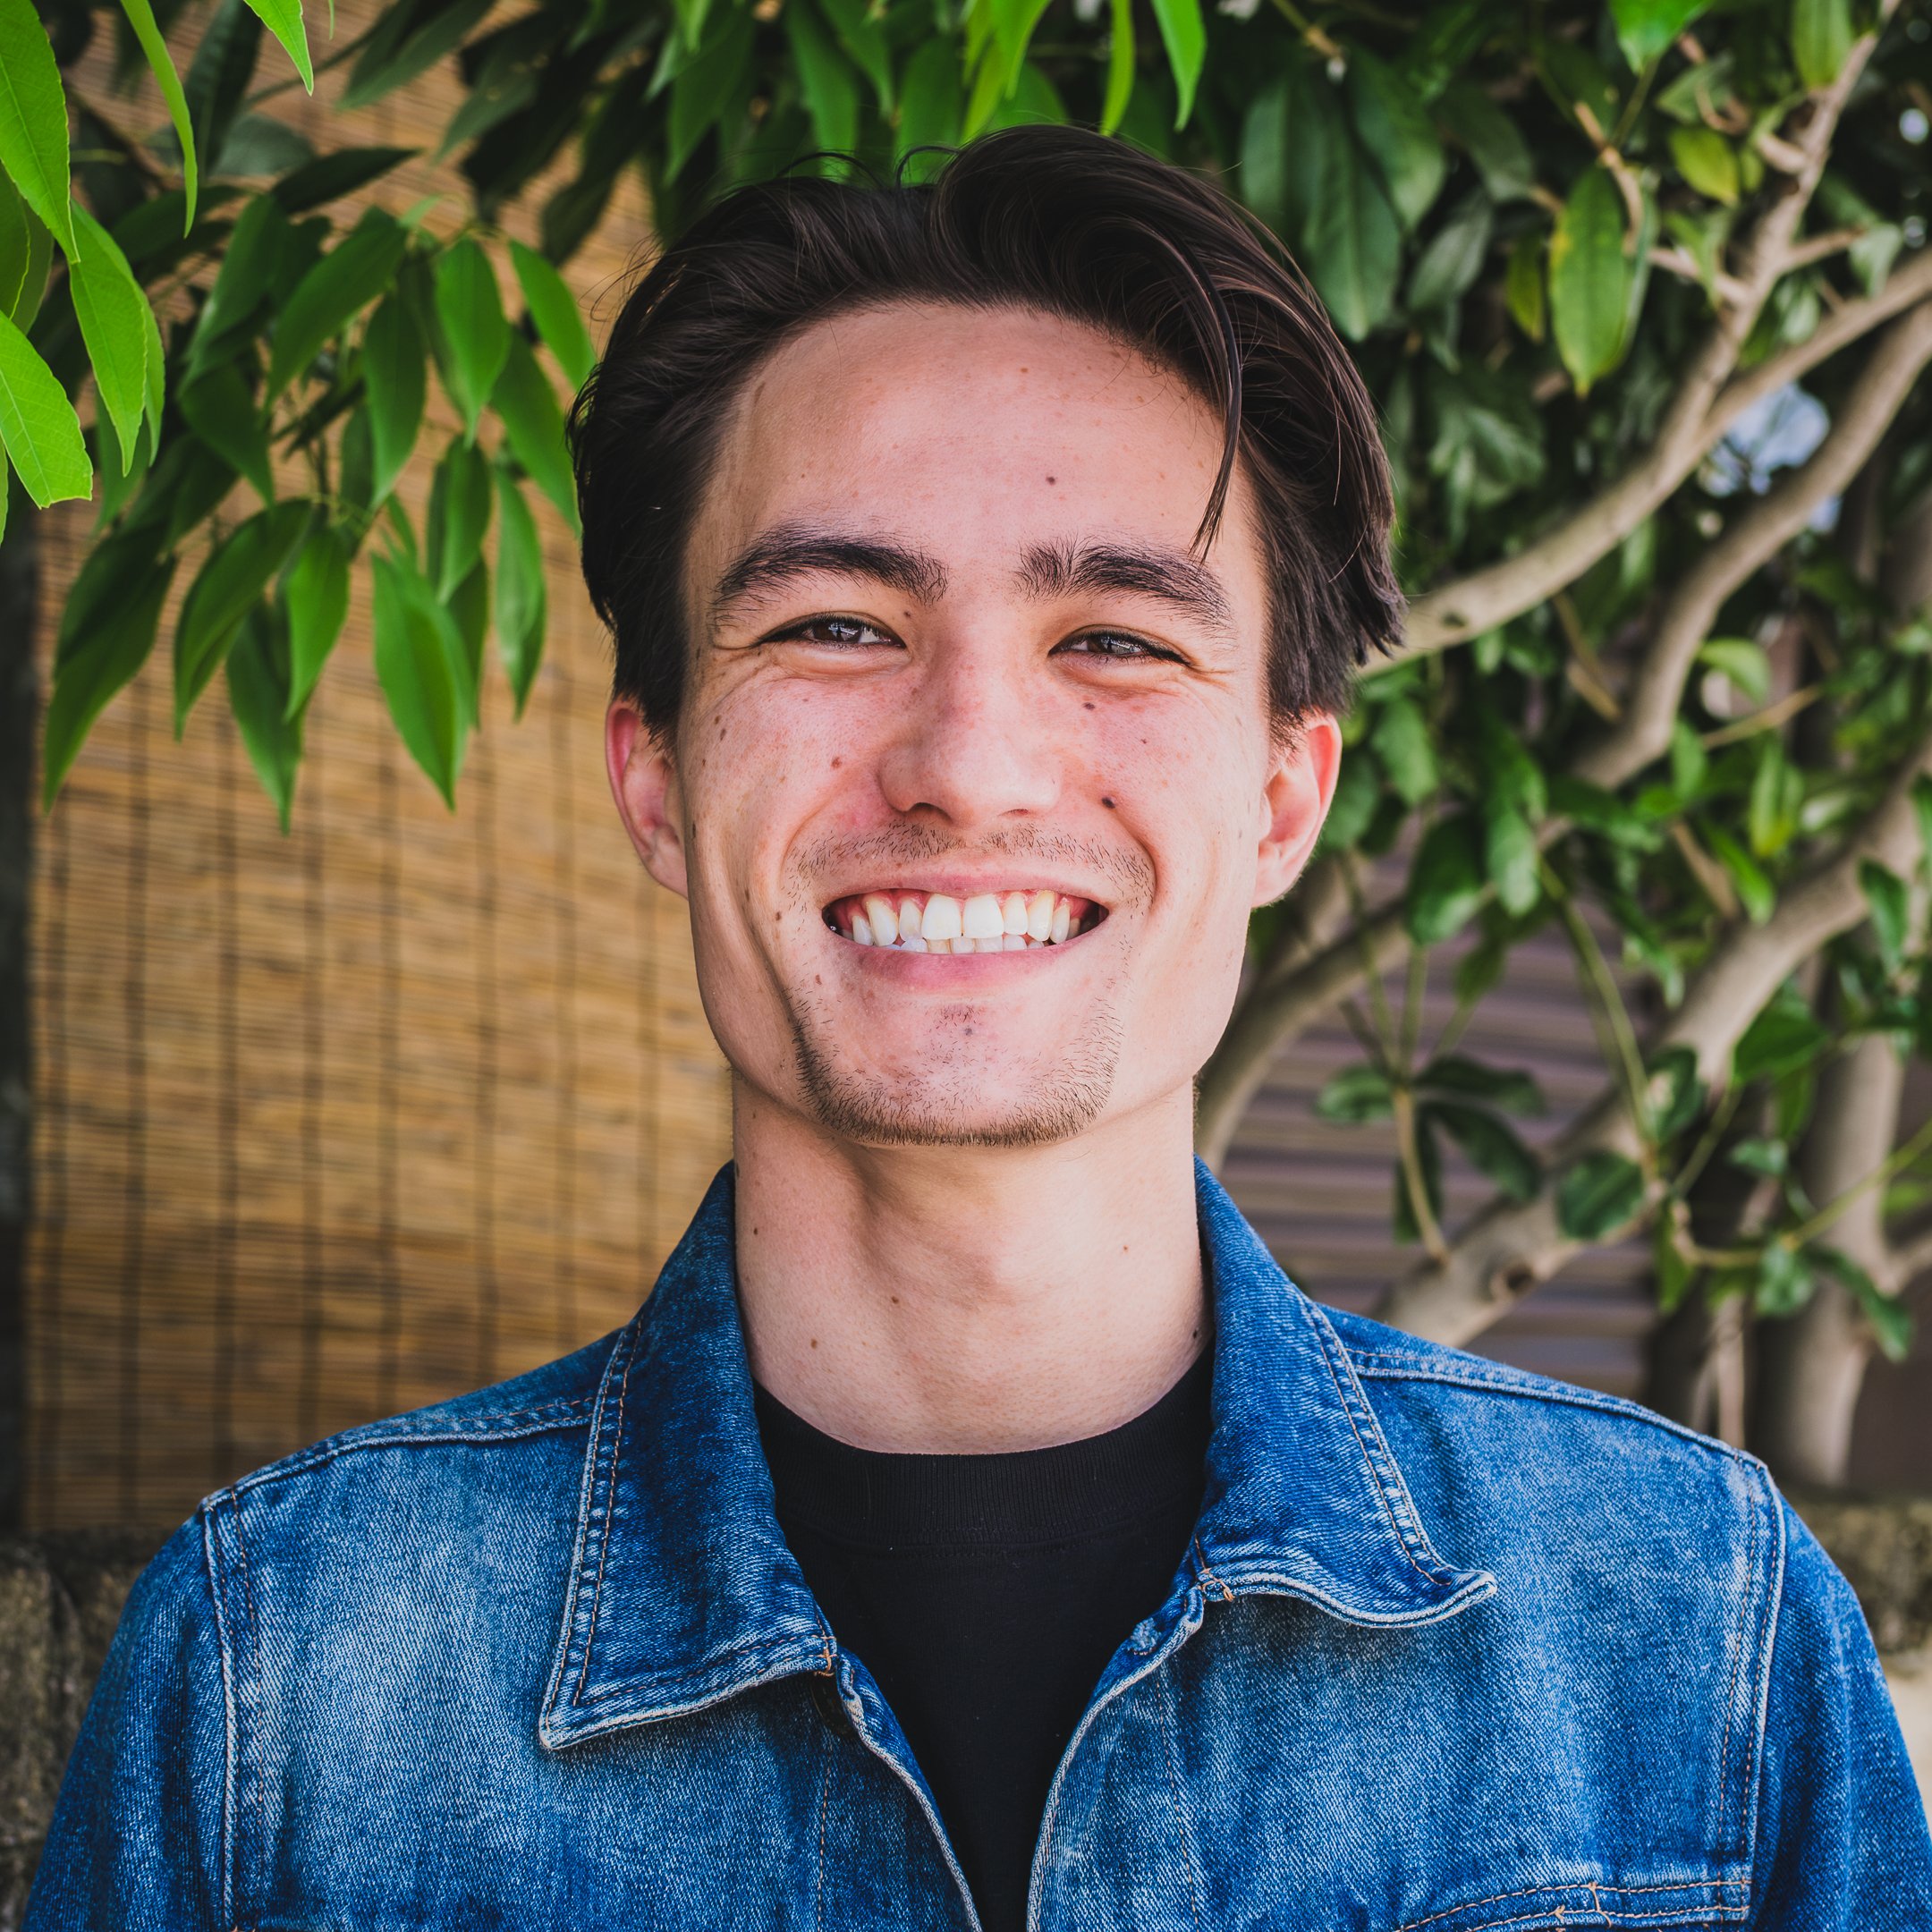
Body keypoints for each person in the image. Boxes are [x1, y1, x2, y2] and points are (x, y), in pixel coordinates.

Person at [27, 124, 1930, 1931]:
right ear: (658, 780)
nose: (970, 764)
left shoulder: (1695, 1632)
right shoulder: (281, 1680)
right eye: (837, 625)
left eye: (1117, 638)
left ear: (1284, 797)